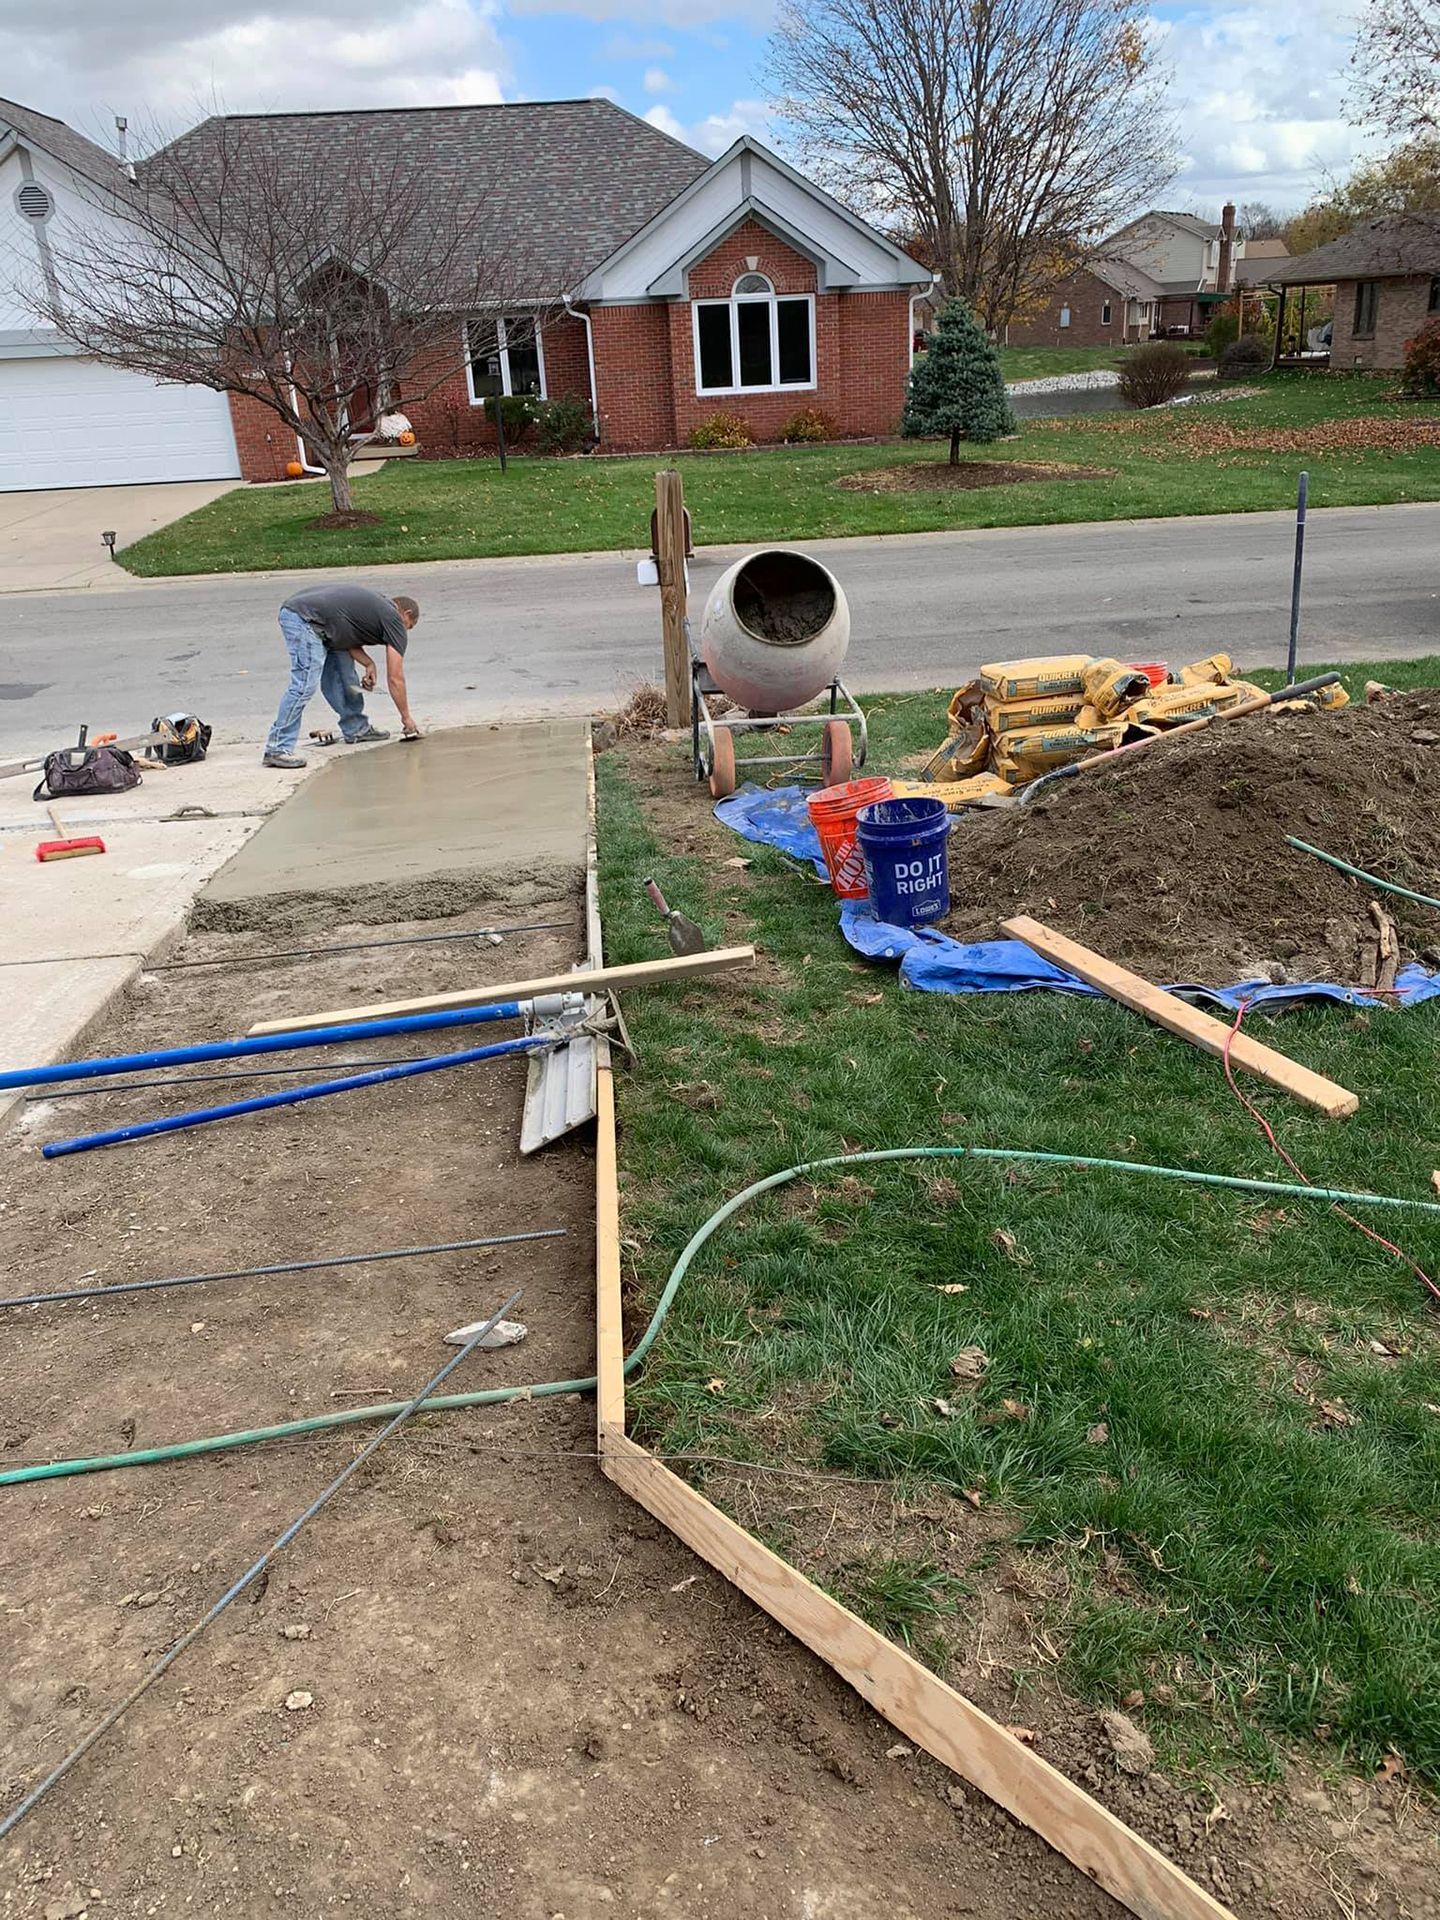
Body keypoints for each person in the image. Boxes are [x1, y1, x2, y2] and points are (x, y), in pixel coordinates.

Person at [263, 584, 421, 768]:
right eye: (409, 626)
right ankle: (277, 748)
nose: (404, 632)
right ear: (406, 613)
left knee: (343, 671)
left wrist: (368, 663)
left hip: (315, 619)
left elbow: (347, 636)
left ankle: (356, 728)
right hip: (304, 619)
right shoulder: (393, 618)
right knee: (304, 685)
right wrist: (406, 718)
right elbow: (395, 678)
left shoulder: (375, 609)